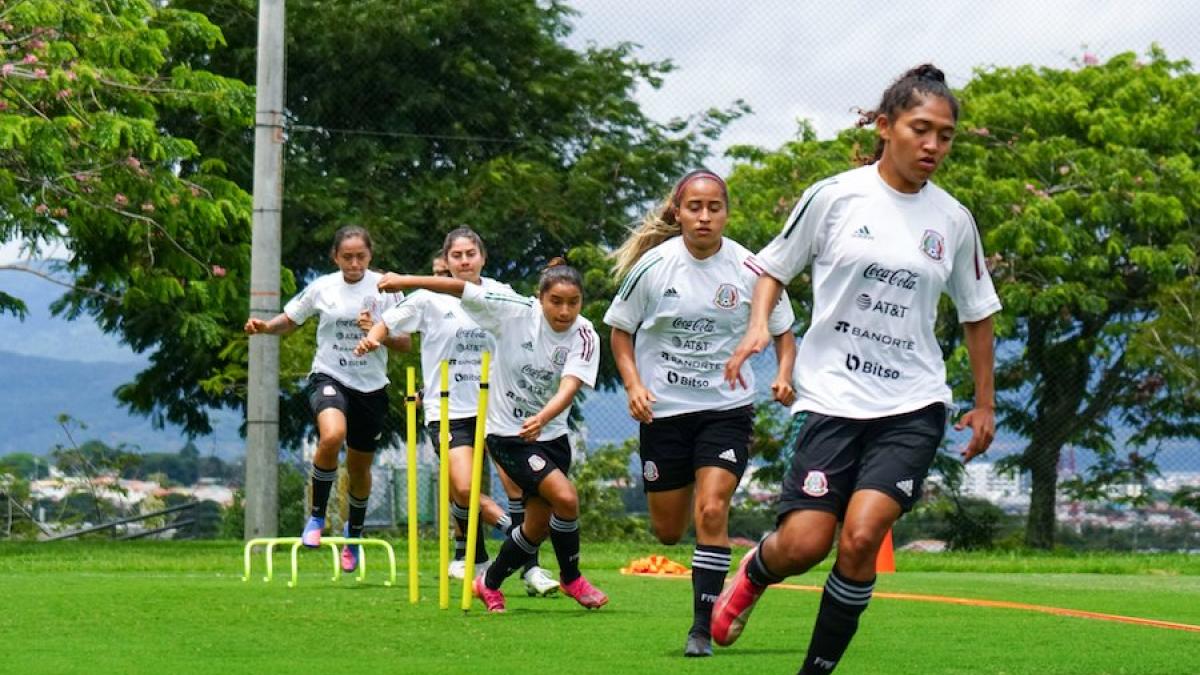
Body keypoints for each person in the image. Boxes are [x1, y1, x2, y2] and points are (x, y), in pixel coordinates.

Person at [710, 64, 1001, 674]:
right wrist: (759, 325)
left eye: (945, 136)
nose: (933, 146)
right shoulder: (835, 196)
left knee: (863, 536)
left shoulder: (952, 219)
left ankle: (816, 669)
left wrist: (984, 401)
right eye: (921, 129)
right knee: (805, 545)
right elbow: (771, 268)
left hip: (912, 403)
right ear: (887, 125)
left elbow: (978, 312)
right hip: (833, 399)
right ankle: (758, 569)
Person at [603, 169, 797, 657]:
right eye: (695, 207)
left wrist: (784, 374)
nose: (705, 216)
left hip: (725, 410)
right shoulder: (654, 267)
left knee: (711, 509)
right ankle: (712, 566)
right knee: (669, 530)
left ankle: (700, 628)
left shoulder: (752, 270)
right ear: (678, 213)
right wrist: (633, 385)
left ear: (727, 214)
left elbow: (784, 331)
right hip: (664, 413)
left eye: (715, 208)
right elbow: (620, 333)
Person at [357, 258, 608, 612]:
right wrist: (407, 278)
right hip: (508, 435)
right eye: (556, 301)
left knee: (535, 527)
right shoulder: (513, 311)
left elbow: (571, 385)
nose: (565, 310)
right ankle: (572, 578)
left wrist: (544, 416)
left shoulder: (585, 334)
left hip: (551, 435)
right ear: (539, 299)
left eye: (573, 302)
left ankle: (488, 583)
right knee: (565, 499)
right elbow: (458, 290)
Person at [372, 228, 559, 596]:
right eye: (456, 255)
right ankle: (508, 538)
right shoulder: (428, 299)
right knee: (463, 487)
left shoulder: (500, 294)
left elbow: (536, 320)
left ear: (482, 257)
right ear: (446, 261)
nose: (464, 261)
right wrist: (372, 338)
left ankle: (531, 569)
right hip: (449, 409)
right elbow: (389, 323)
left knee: (518, 485)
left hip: (500, 408)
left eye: (470, 254)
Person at [243, 225, 410, 572]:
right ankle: (316, 518)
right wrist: (266, 327)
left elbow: (405, 342)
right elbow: (292, 320)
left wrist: (377, 333)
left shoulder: (386, 288)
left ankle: (355, 534)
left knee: (360, 467)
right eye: (347, 257)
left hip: (371, 385)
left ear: (370, 255)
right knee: (332, 435)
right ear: (336, 257)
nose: (354, 263)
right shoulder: (323, 288)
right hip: (330, 376)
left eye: (360, 256)